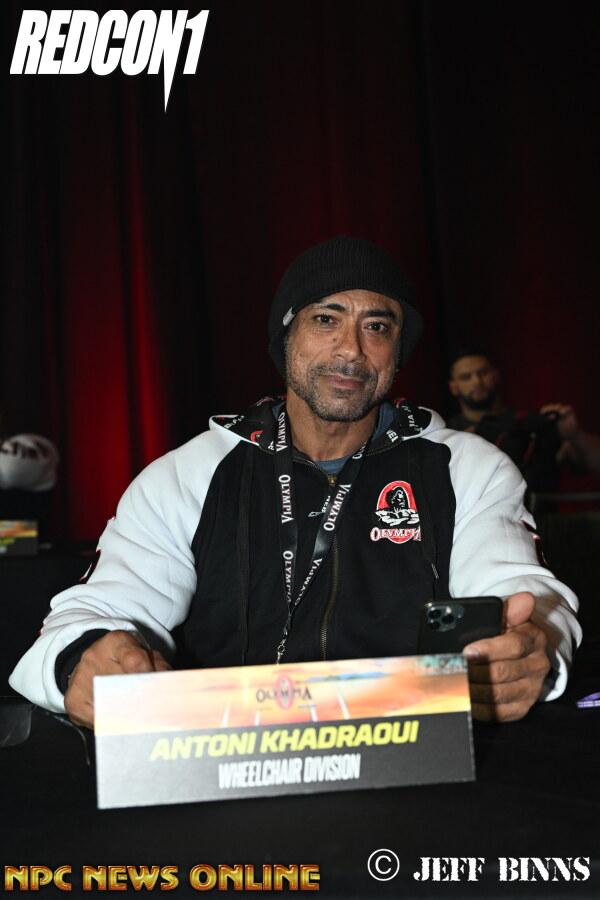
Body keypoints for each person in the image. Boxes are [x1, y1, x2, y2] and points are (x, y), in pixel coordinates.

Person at [10, 237, 580, 727]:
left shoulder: (468, 468)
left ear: (398, 352)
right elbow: (96, 611)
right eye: (326, 319)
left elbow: (524, 593)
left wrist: (533, 648)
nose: (351, 349)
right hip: (221, 763)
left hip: (411, 758)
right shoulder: (187, 475)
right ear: (287, 336)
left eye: (377, 326)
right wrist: (81, 659)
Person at [447, 351, 600, 494]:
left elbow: (594, 463)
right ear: (453, 387)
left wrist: (576, 435)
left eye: (483, 372)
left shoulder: (532, 424)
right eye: (466, 377)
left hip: (538, 513)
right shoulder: (447, 435)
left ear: (496, 374)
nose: (477, 381)